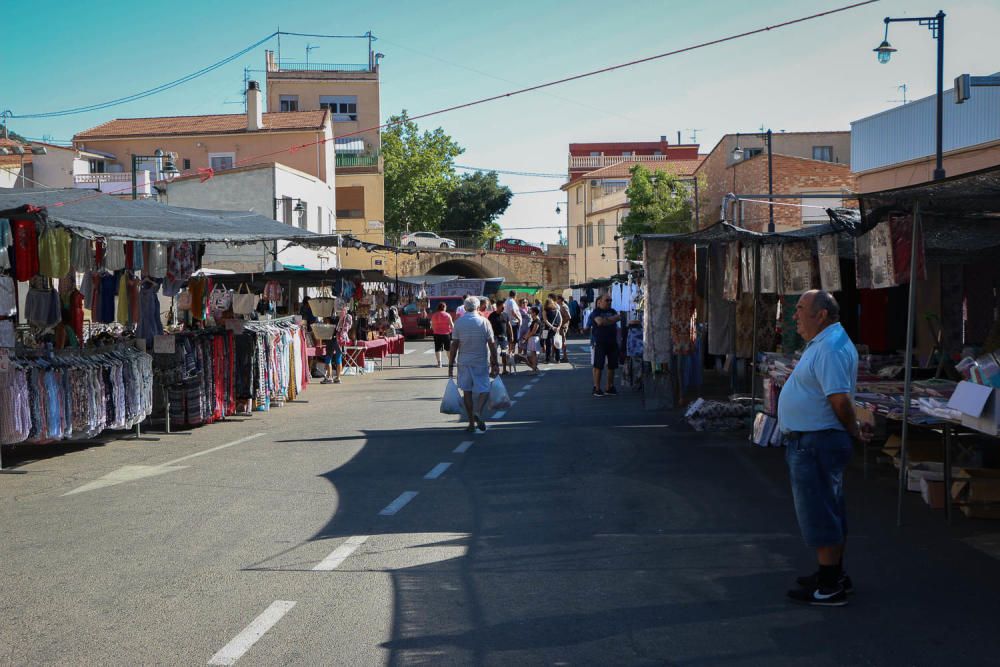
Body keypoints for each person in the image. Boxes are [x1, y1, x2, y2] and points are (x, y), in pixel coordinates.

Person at [779, 290, 870, 607]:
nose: (795, 315)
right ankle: (831, 573)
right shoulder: (825, 343)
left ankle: (830, 585)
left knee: (820, 513)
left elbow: (840, 400)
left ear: (821, 315)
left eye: (800, 309)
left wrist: (852, 428)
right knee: (828, 509)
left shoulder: (830, 347)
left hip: (816, 441)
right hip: (814, 440)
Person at [449, 296, 499, 432]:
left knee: (467, 392)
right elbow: (492, 344)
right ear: (478, 307)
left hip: (464, 361)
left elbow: (454, 345)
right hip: (481, 361)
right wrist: (495, 362)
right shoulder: (484, 322)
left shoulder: (459, 323)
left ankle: (471, 423)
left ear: (465, 308)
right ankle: (478, 411)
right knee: (484, 388)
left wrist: (450, 365)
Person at [587, 294, 621, 396]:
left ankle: (609, 387)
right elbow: (599, 322)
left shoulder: (613, 311)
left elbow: (618, 317)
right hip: (600, 342)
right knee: (598, 366)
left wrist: (606, 321)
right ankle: (597, 388)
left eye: (610, 300)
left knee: (612, 366)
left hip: (612, 342)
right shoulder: (595, 312)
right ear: (600, 302)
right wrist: (611, 320)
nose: (609, 302)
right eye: (607, 300)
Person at [325, 306, 353, 384]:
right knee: (338, 358)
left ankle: (329, 377)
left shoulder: (333, 319)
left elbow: (327, 324)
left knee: (328, 357)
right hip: (341, 340)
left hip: (333, 339)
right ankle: (338, 378)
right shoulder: (345, 318)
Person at [488, 301, 514, 375]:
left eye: (504, 307)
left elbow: (509, 325)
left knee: (504, 354)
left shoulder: (505, 315)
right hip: (494, 338)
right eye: (502, 307)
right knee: (493, 354)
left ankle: (504, 370)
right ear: (497, 306)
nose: (503, 308)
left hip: (504, 338)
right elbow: (488, 326)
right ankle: (492, 370)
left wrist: (511, 335)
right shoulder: (492, 315)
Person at [517, 306, 541, 373]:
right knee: (532, 354)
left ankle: (534, 369)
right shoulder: (534, 320)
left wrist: (526, 337)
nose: (530, 311)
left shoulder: (537, 321)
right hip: (532, 338)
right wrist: (525, 337)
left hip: (534, 338)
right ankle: (535, 368)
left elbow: (533, 331)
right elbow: (530, 331)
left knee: (533, 354)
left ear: (534, 313)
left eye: (531, 311)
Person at [430, 301, 454, 368]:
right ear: (444, 307)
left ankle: (439, 363)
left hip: (437, 334)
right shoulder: (447, 315)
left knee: (438, 349)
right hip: (446, 334)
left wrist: (435, 330)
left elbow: (432, 325)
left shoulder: (434, 315)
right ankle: (451, 362)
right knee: (448, 349)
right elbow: (452, 325)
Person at [540, 297, 562, 364]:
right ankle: (547, 359)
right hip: (547, 329)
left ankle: (557, 359)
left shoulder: (557, 310)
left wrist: (558, 327)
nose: (552, 304)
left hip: (555, 329)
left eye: (552, 302)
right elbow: (545, 320)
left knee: (556, 344)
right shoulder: (545, 311)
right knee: (548, 344)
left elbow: (561, 320)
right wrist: (553, 327)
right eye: (550, 303)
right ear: (547, 304)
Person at [557, 295, 571, 363]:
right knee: (561, 341)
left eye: (557, 299)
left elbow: (568, 317)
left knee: (563, 341)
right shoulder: (560, 306)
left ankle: (565, 357)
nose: (556, 300)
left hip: (563, 326)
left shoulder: (564, 306)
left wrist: (562, 324)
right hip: (561, 326)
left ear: (560, 299)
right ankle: (563, 357)